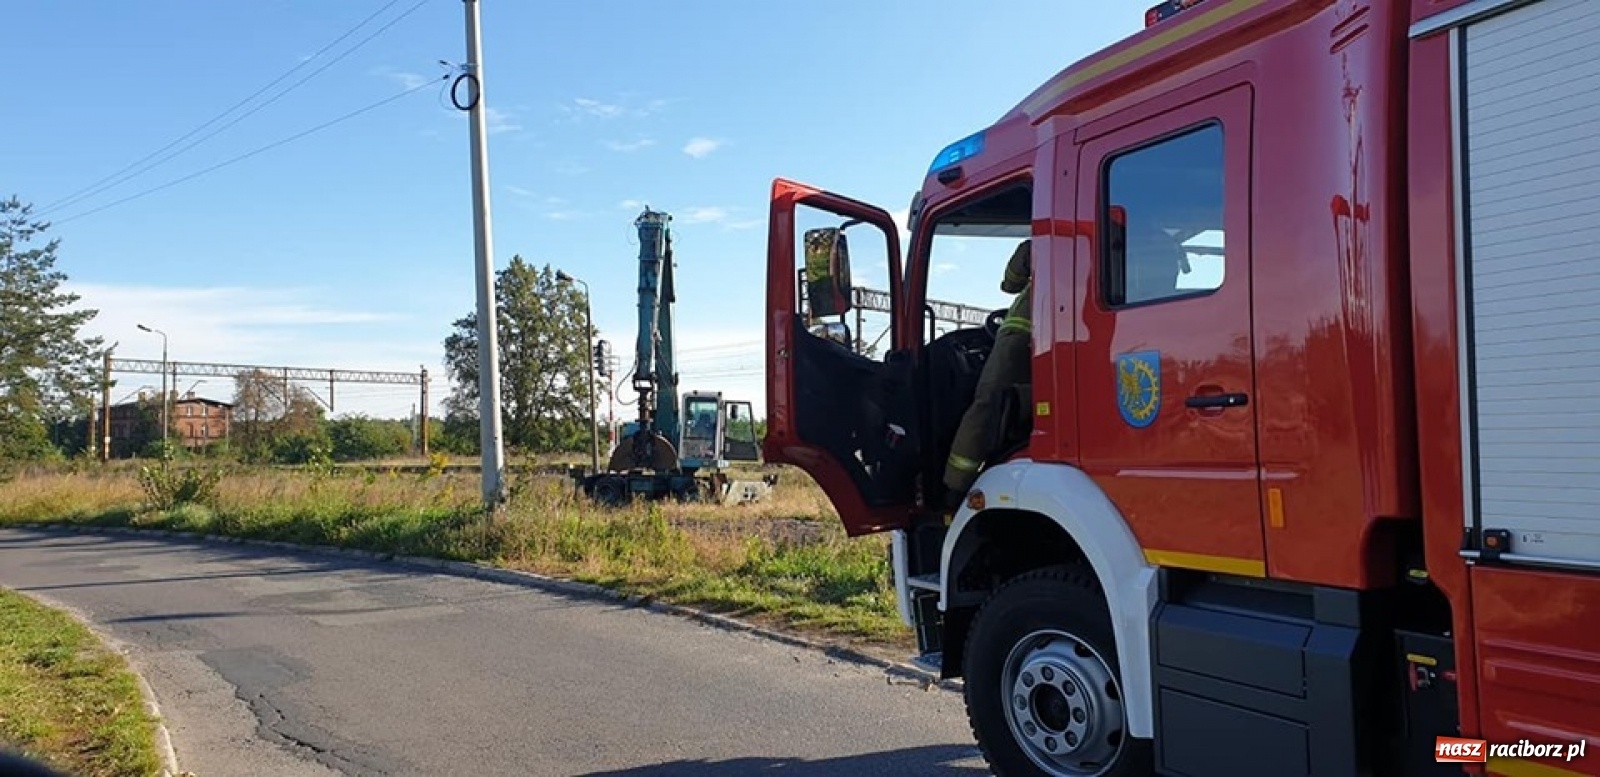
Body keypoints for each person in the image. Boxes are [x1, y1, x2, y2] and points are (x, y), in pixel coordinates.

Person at [943, 239, 1033, 504]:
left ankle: (955, 486)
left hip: (1018, 334)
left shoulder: (1038, 243)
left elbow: (1010, 284)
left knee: (988, 402)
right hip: (1062, 336)